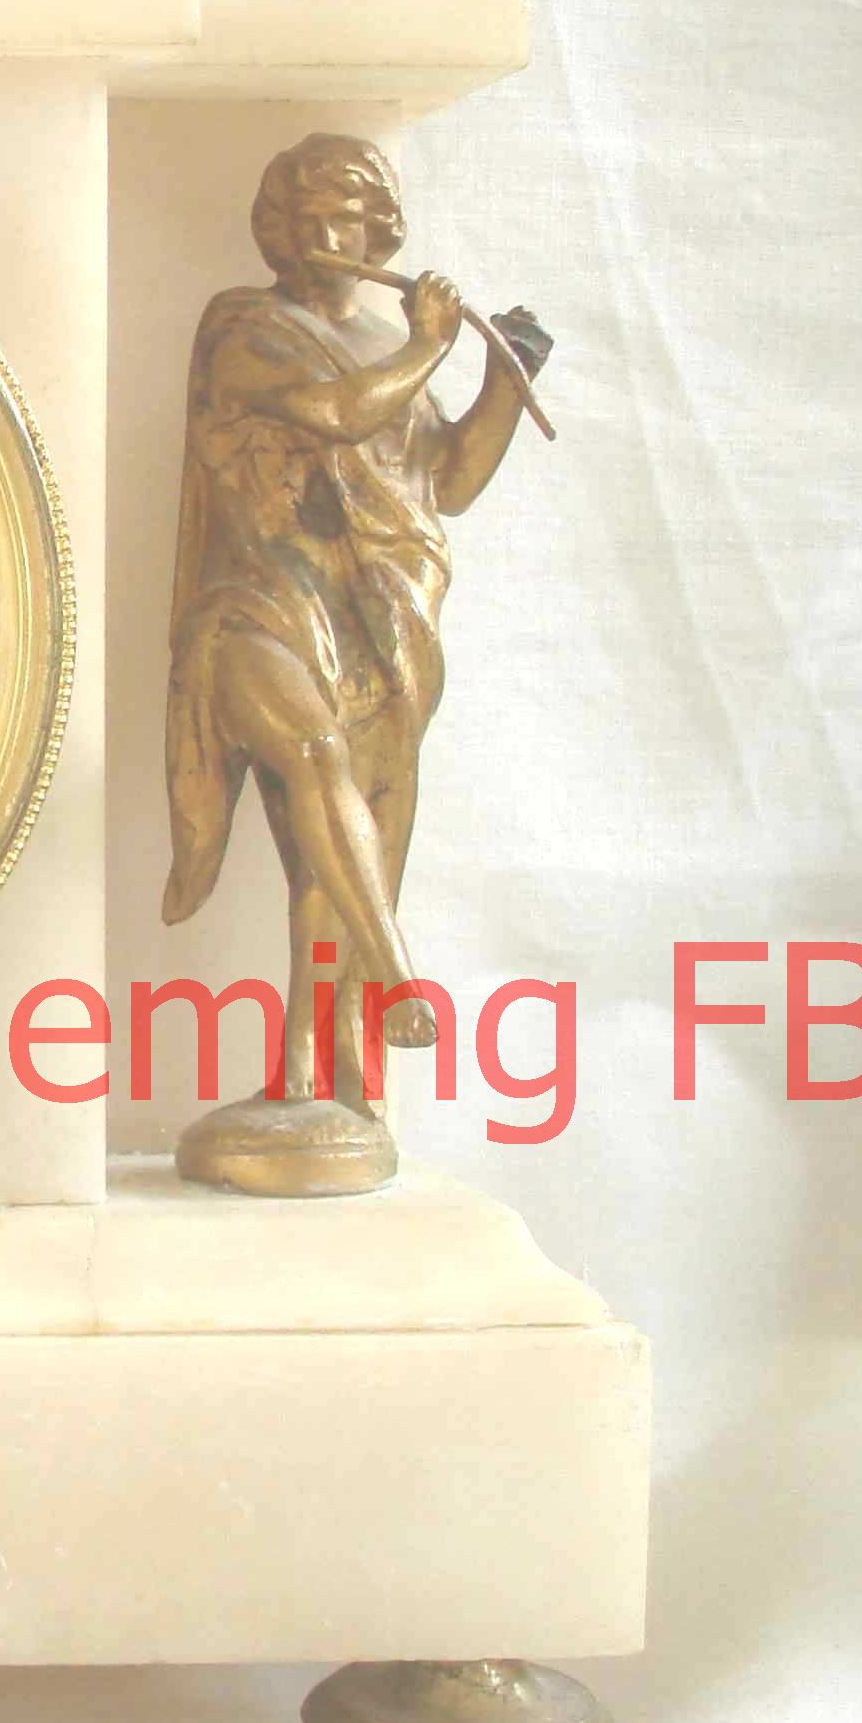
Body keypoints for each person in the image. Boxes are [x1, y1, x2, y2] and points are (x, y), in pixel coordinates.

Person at [162, 134, 549, 1190]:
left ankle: (316, 1073)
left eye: (347, 218)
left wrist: (504, 379)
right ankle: (398, 975)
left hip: (371, 613)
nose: (326, 237)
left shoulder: (384, 340)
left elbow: (444, 482)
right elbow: (337, 415)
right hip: (257, 600)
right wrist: (428, 347)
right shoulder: (245, 327)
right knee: (314, 754)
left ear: (382, 231)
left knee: (331, 858)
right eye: (304, 220)